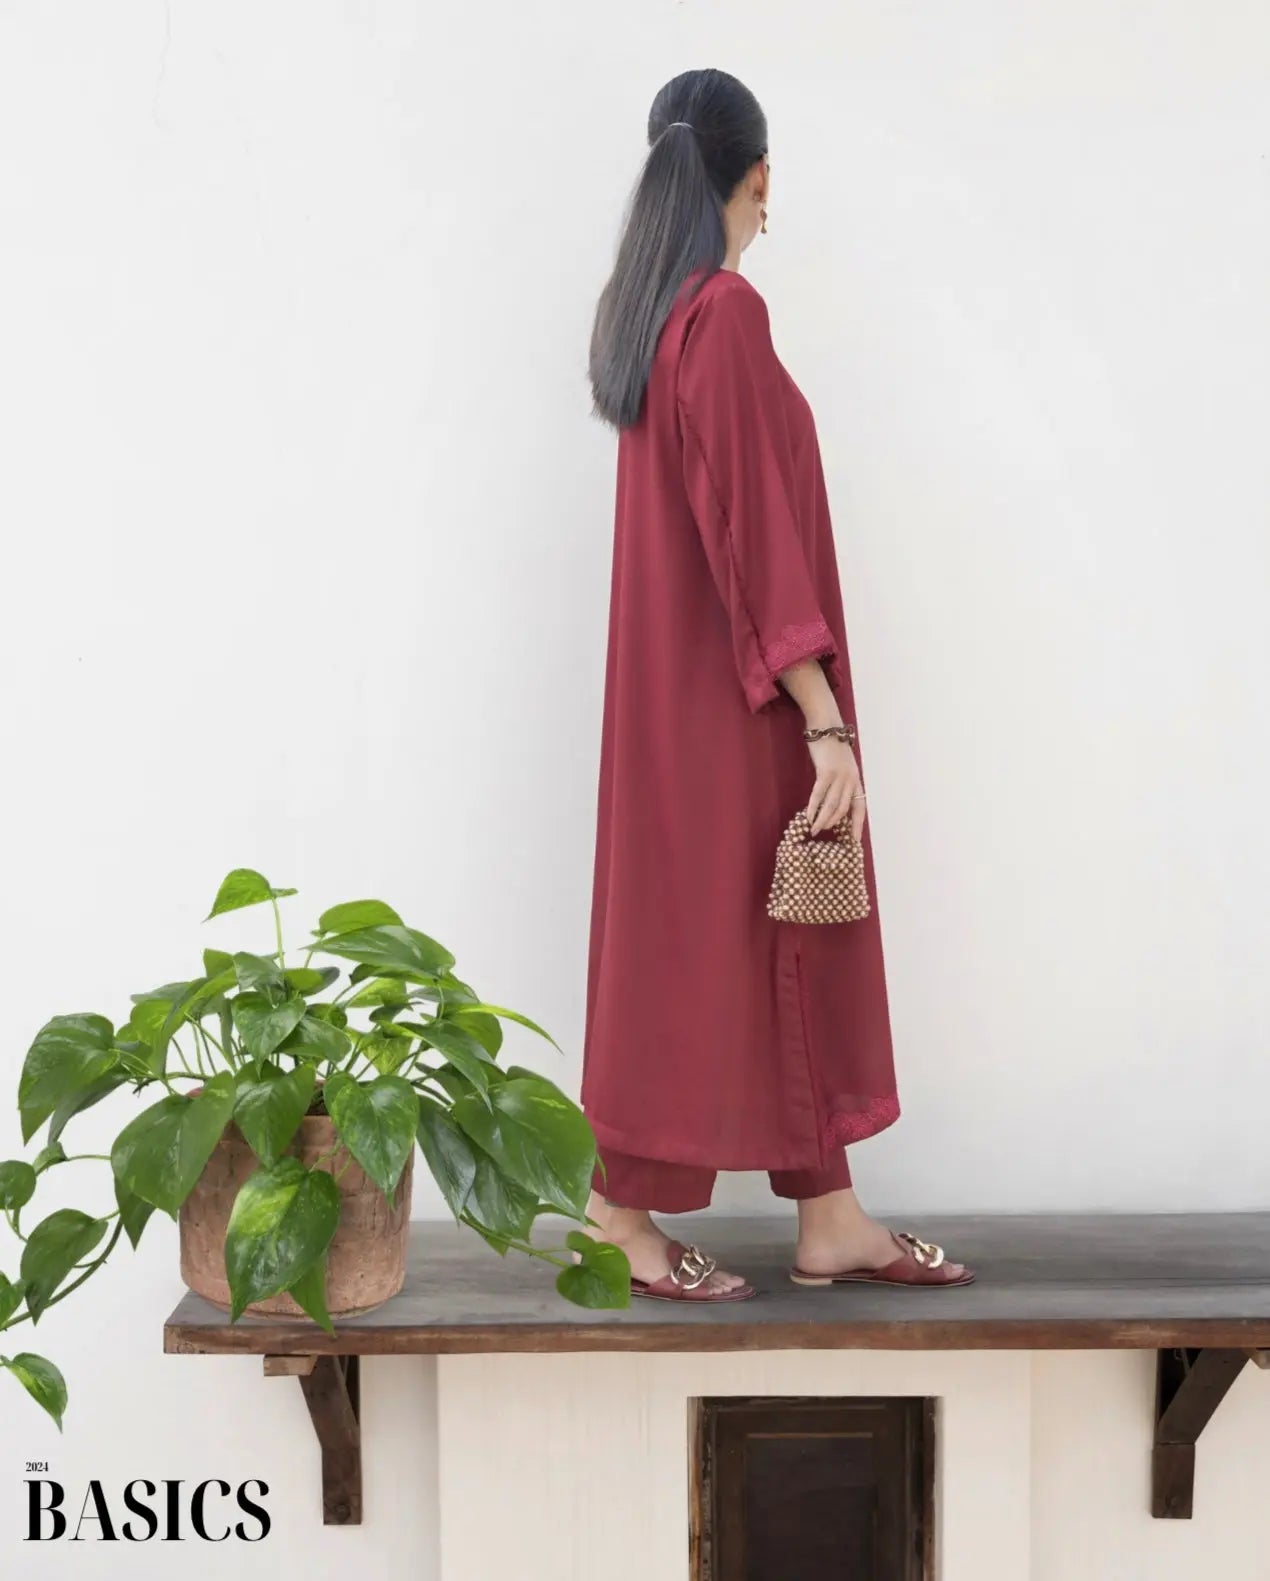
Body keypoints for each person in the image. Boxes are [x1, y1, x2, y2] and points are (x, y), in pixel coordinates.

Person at [581, 68, 974, 1301]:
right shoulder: (724, 317)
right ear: (759, 174)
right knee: (755, 932)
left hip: (676, 709)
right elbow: (752, 533)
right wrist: (825, 724)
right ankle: (615, 1210)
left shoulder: (653, 322)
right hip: (744, 706)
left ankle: (828, 1215)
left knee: (747, 934)